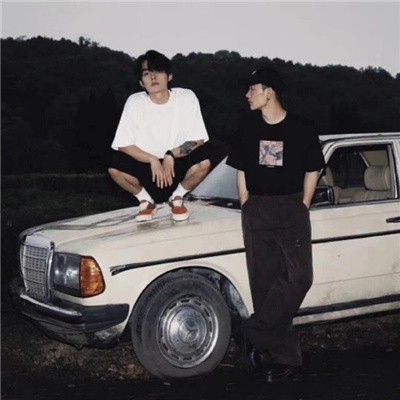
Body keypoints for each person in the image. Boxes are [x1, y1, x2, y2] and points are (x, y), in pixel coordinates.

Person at [227, 67, 325, 383]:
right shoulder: (246, 126)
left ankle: (251, 332)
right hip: (257, 209)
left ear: (269, 91)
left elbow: (313, 169)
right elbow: (241, 169)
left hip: (291, 207)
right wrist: (246, 203)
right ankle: (286, 359)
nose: (247, 95)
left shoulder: (302, 128)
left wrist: (303, 204)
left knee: (300, 277)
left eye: (252, 89)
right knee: (264, 286)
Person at [109, 50, 225, 222]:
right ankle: (145, 200)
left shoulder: (186, 97)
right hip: (147, 168)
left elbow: (198, 139)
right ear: (141, 82)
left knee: (206, 157)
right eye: (146, 73)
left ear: (169, 76)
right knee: (114, 165)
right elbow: (123, 144)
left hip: (176, 166)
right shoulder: (135, 102)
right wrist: (152, 159)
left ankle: (177, 198)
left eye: (158, 71)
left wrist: (170, 155)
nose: (153, 77)